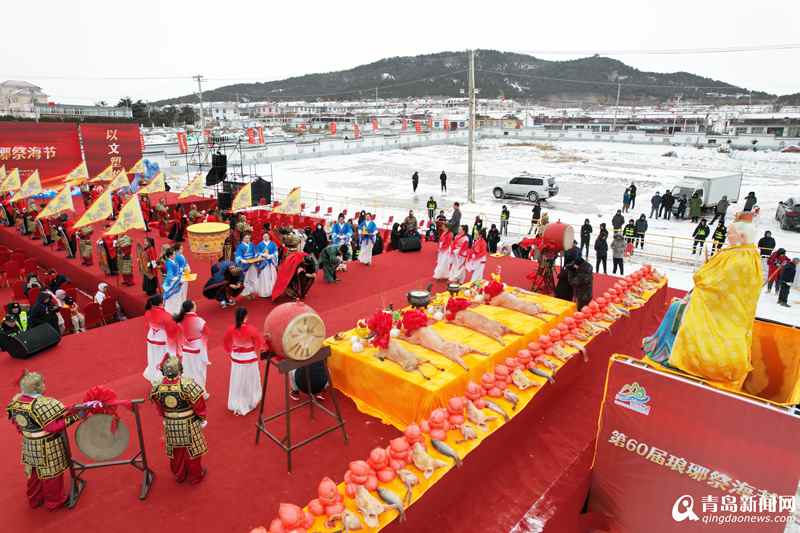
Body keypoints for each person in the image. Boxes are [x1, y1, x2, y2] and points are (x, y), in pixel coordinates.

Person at [668, 213, 762, 390]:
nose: (727, 235)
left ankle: (703, 363)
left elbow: (717, 282)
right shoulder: (746, 254)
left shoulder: (739, 258)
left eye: (730, 232)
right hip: (730, 309)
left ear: (741, 236)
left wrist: (701, 276)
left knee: (697, 328)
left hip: (722, 311)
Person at [6, 371, 86, 510]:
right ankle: (55, 501)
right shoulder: (43, 403)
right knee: (51, 475)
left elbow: (17, 425)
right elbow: (52, 427)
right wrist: (75, 417)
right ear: (37, 387)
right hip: (47, 445)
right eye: (43, 382)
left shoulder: (15, 403)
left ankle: (35, 499)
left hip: (29, 444)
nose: (45, 385)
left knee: (34, 473)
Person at [150, 356, 208, 484]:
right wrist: (202, 418)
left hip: (170, 423)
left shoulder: (157, 385)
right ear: (180, 370)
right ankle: (195, 476)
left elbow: (158, 406)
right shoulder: (188, 384)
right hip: (189, 422)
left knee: (176, 451)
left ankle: (180, 475)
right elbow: (199, 404)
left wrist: (165, 417)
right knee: (193, 450)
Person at [224, 307, 264, 416]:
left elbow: (226, 343)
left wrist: (231, 350)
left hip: (237, 359)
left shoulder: (230, 329)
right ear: (246, 316)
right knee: (249, 380)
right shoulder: (252, 329)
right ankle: (249, 401)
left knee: (237, 380)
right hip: (249, 359)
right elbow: (260, 344)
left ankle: (236, 402)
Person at [143, 294, 179, 382]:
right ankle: (161, 378)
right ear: (161, 303)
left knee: (152, 359)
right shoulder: (167, 316)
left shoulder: (147, 312)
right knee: (162, 360)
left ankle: (153, 377)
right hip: (162, 341)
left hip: (151, 338)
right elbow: (173, 331)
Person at [174, 300, 210, 390]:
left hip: (185, 349)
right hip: (197, 349)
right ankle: (201, 391)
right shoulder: (199, 321)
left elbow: (178, 337)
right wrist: (204, 353)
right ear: (192, 308)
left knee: (187, 370)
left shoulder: (179, 321)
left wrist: (179, 351)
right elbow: (206, 335)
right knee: (199, 371)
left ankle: (188, 389)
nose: (196, 306)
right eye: (195, 305)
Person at [234, 232, 259, 297]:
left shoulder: (252, 244)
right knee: (246, 277)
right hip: (245, 263)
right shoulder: (240, 246)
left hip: (252, 261)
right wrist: (243, 260)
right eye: (246, 238)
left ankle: (254, 289)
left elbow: (255, 252)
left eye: (248, 238)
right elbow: (238, 256)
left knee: (254, 275)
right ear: (242, 239)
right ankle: (246, 290)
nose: (247, 239)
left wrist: (257, 257)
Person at [255, 232, 279, 298]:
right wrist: (262, 255)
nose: (265, 237)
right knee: (264, 277)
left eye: (267, 236)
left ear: (269, 237)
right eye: (264, 236)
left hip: (271, 263)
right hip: (263, 263)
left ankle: (272, 291)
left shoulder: (273, 244)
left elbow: (276, 252)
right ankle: (264, 292)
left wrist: (271, 256)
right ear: (262, 237)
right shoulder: (260, 244)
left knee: (272, 277)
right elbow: (257, 253)